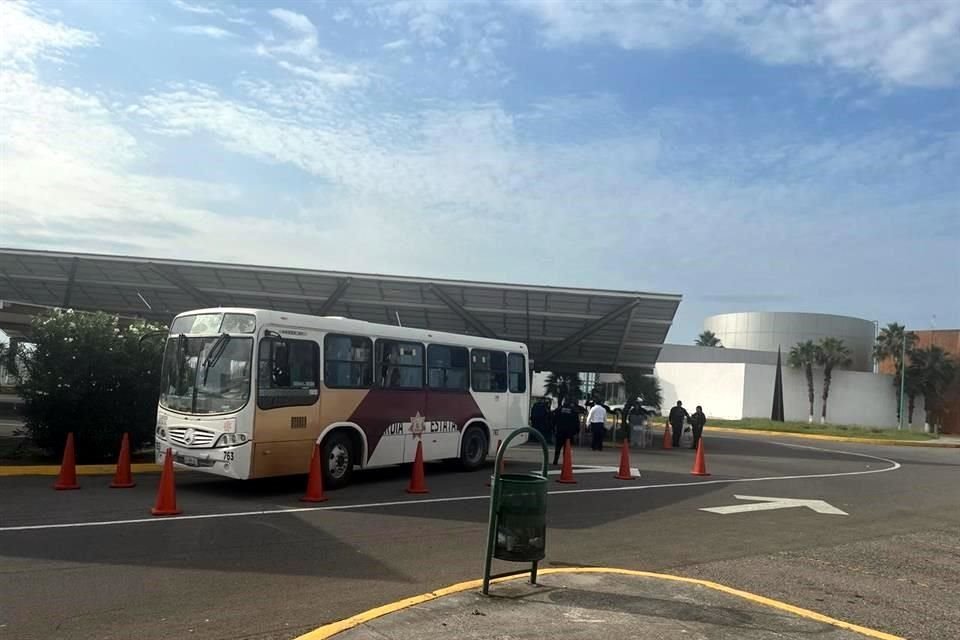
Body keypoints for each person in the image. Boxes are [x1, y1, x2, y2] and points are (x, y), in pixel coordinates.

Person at [552, 398, 579, 465]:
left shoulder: (559, 410)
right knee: (567, 448)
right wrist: (576, 431)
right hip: (569, 432)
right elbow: (576, 422)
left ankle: (555, 460)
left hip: (560, 431)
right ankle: (565, 461)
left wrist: (553, 428)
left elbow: (553, 419)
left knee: (558, 447)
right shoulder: (573, 411)